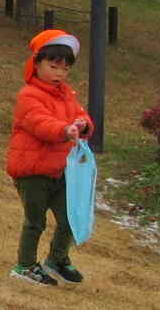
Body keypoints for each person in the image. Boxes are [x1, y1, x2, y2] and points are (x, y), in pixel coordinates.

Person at [6, 28, 95, 287]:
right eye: (53, 66)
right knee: (35, 221)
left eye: (65, 69)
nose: (59, 73)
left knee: (69, 218)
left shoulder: (68, 95)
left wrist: (83, 125)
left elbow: (83, 117)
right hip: (32, 170)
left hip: (60, 169)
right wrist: (64, 130)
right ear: (37, 64)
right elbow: (40, 124)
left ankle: (56, 259)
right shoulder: (28, 95)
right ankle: (25, 265)